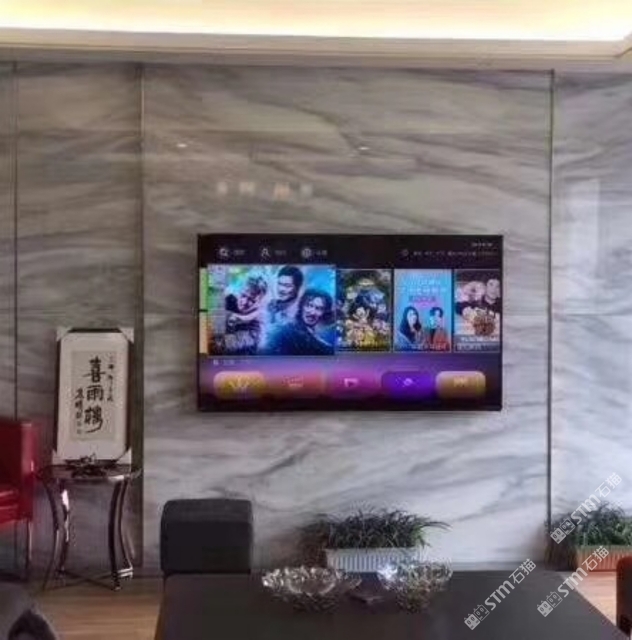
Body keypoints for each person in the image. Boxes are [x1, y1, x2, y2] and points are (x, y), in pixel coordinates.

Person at [267, 289, 334, 355]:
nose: (312, 312)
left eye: (319, 308)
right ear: (302, 306)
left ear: (324, 312)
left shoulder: (322, 338)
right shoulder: (287, 332)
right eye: (309, 305)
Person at [224, 275, 268, 354]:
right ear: (239, 291)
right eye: (243, 295)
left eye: (252, 300)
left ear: (259, 302)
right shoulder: (230, 299)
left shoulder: (256, 328)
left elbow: (227, 346)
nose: (244, 302)